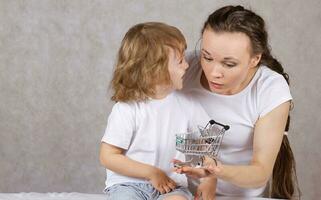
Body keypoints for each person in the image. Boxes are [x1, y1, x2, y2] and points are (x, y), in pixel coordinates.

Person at [174, 5, 300, 200]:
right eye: (207, 57)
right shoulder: (183, 69)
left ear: (254, 59)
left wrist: (215, 171)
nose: (214, 72)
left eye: (229, 64)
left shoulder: (270, 88)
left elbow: (260, 172)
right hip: (179, 193)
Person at [99, 22, 210, 200]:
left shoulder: (188, 105)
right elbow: (108, 157)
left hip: (172, 186)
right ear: (155, 71)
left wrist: (209, 178)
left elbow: (208, 143)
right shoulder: (127, 108)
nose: (187, 65)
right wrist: (151, 173)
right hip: (129, 184)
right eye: (180, 61)